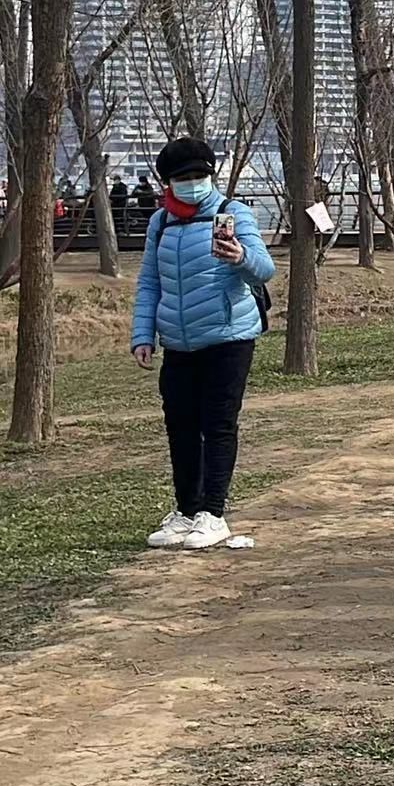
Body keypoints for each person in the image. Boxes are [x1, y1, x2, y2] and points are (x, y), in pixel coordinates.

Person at [130, 138, 276, 552]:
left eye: (199, 176)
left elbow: (265, 270)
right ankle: (187, 509)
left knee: (218, 424)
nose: (192, 184)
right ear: (168, 183)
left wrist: (240, 256)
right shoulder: (160, 223)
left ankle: (213, 513)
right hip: (178, 342)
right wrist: (143, 334)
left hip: (228, 338)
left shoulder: (234, 213)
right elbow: (149, 283)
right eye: (183, 178)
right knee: (180, 427)